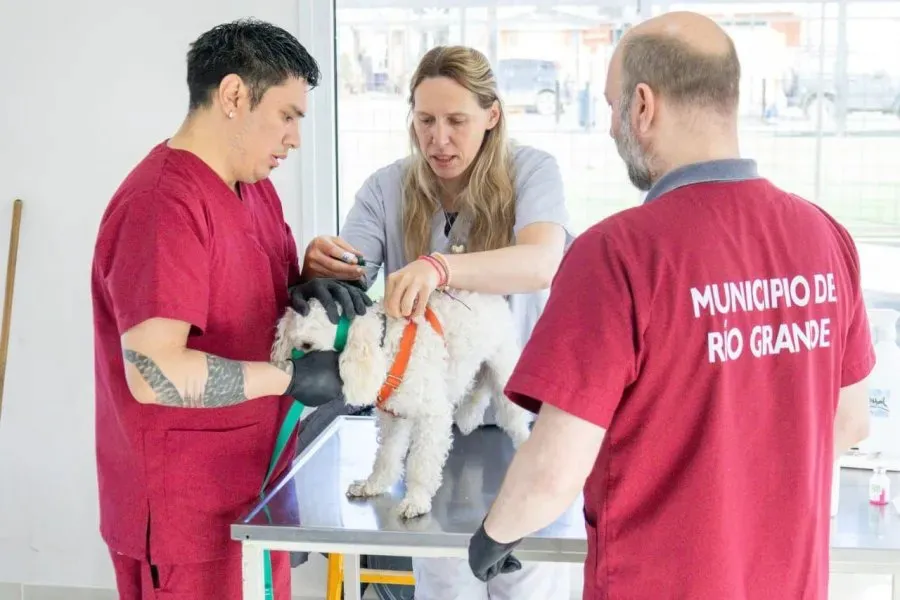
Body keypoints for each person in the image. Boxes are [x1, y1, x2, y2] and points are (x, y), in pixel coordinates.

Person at [466, 11, 874, 599]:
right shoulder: (825, 237)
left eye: (611, 107)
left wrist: (492, 536)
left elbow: (554, 467)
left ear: (642, 106)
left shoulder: (617, 253)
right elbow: (850, 420)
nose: (610, 128)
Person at [90, 19, 371, 600]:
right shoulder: (161, 207)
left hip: (253, 493)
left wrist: (306, 281)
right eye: (287, 115)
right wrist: (290, 378)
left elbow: (244, 297)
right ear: (235, 96)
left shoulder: (253, 184)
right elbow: (155, 372)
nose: (295, 138)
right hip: (186, 513)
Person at [301, 45, 573, 600]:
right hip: (436, 426)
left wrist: (439, 266)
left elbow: (542, 262)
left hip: (523, 424)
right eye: (425, 120)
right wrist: (323, 270)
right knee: (445, 578)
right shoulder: (386, 188)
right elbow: (352, 283)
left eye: (456, 121)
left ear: (491, 115)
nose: (438, 139)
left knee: (528, 583)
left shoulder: (534, 171)